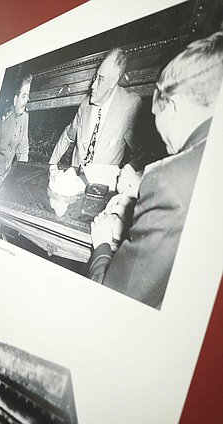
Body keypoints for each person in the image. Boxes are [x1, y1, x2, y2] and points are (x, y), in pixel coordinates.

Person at [88, 31, 223, 309]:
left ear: (171, 105)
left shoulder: (167, 182)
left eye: (156, 117)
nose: (161, 136)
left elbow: (111, 299)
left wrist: (101, 245)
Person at [48, 48, 142, 173]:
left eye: (101, 79)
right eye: (95, 78)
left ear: (113, 82)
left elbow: (143, 153)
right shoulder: (85, 104)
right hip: (74, 178)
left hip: (103, 186)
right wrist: (53, 164)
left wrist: (125, 173)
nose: (93, 85)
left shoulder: (129, 105)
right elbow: (68, 135)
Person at [0, 74, 33, 200]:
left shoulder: (25, 117)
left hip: (7, 176)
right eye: (23, 96)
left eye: (28, 95)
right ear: (15, 99)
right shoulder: (3, 118)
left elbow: (23, 149)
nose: (27, 100)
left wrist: (20, 177)